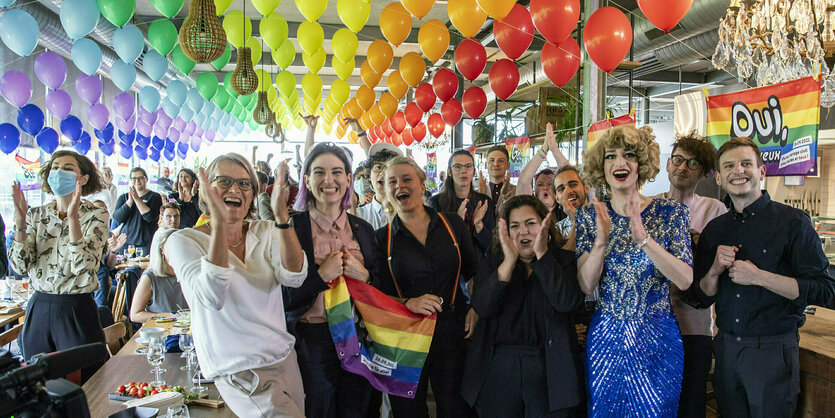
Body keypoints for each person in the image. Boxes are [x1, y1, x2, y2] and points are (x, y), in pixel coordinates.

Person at [690, 137, 835, 417]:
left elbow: (825, 291)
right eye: (729, 166)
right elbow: (700, 296)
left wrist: (759, 277)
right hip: (726, 348)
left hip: (772, 350)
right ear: (719, 177)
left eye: (746, 164)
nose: (738, 171)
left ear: (762, 171)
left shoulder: (793, 223)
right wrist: (714, 271)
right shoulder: (715, 229)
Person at [166, 154, 308, 417]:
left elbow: (294, 277)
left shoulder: (267, 230)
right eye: (225, 181)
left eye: (244, 184)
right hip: (239, 370)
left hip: (284, 358)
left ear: (253, 194)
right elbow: (211, 295)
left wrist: (281, 216)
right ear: (205, 190)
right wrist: (221, 224)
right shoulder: (182, 240)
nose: (235, 189)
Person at [575, 125, 693, 416]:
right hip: (607, 339)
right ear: (601, 166)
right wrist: (601, 241)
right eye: (611, 156)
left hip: (658, 339)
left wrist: (644, 240)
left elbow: (685, 279)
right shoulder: (590, 216)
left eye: (629, 154)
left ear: (641, 163)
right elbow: (586, 285)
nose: (620, 162)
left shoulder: (671, 213)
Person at [374, 156, 479, 417]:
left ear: (422, 186)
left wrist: (476, 308)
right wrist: (407, 303)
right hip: (405, 338)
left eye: (407, 179)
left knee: (454, 407)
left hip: (452, 331)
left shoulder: (452, 224)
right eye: (392, 182)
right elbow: (376, 297)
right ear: (385, 191)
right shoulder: (381, 239)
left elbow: (475, 273)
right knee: (408, 411)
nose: (400, 185)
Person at [462, 195, 584, 417]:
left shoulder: (563, 260)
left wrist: (542, 256)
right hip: (499, 368)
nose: (523, 231)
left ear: (545, 225)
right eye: (515, 226)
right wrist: (508, 263)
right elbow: (482, 306)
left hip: (550, 368)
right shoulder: (495, 261)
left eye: (530, 223)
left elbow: (567, 302)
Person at [282, 143, 380, 418]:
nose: (329, 180)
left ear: (349, 179)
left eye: (337, 172)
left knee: (358, 410)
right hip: (312, 342)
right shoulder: (292, 229)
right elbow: (281, 297)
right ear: (307, 180)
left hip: (358, 336)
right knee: (318, 409)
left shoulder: (363, 229)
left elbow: (381, 287)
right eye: (319, 172)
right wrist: (320, 277)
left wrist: (366, 276)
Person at [9, 150, 109, 381]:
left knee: (88, 381)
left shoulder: (96, 213)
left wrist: (72, 218)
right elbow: (19, 265)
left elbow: (85, 267)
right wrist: (21, 223)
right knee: (39, 385)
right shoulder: (36, 214)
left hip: (76, 307)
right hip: (39, 306)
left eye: (66, 168)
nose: (58, 173)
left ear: (82, 178)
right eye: (54, 167)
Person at [655, 133, 727, 418]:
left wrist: (700, 247)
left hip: (695, 326)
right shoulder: (650, 206)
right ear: (668, 165)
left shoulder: (714, 210)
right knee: (656, 403)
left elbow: (722, 269)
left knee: (691, 403)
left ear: (704, 172)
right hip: (653, 324)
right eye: (678, 160)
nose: (683, 167)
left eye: (692, 162)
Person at [428, 150, 494, 254]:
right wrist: (456, 223)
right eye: (457, 166)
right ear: (449, 172)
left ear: (474, 171)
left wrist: (478, 225)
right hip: (450, 266)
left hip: (479, 267)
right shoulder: (436, 203)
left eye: (468, 166)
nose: (463, 171)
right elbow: (434, 245)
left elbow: (491, 248)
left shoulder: (484, 203)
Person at [130, 228, 187, 323]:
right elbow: (135, 315)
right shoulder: (150, 277)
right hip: (160, 330)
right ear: (162, 251)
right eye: (172, 247)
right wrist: (169, 318)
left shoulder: (187, 273)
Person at [113, 167, 163, 255]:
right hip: (126, 243)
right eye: (134, 178)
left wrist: (137, 199)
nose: (137, 181)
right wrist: (129, 202)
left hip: (146, 243)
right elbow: (118, 218)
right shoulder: (123, 197)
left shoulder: (154, 196)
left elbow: (150, 217)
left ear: (146, 179)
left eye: (140, 178)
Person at [356, 143, 402, 229]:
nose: (383, 173)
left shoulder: (408, 214)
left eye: (389, 168)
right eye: (378, 167)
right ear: (369, 175)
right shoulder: (358, 216)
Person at [553, 165, 589, 240]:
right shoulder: (556, 231)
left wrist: (577, 219)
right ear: (557, 199)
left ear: (586, 188)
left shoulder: (603, 220)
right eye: (561, 189)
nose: (568, 192)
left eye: (573, 185)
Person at [478, 145, 516, 213]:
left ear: (508, 165)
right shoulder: (477, 193)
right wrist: (481, 196)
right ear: (486, 165)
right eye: (492, 160)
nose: (496, 164)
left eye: (501, 161)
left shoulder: (516, 192)